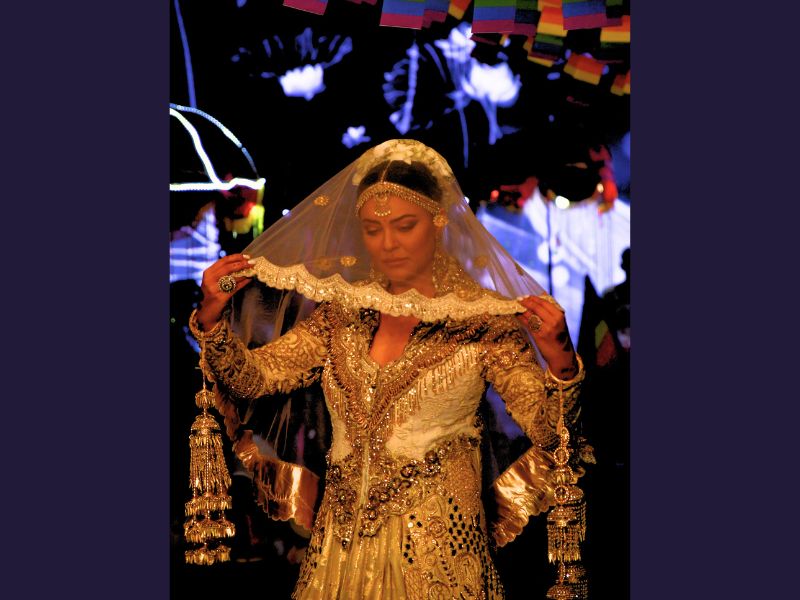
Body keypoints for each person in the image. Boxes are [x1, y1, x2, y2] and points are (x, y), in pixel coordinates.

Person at [188, 139, 587, 599]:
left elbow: (553, 434)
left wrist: (560, 359)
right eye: (372, 229)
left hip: (440, 558)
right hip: (337, 557)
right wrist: (212, 317)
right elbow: (255, 378)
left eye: (405, 226)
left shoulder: (482, 321)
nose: (388, 243)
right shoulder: (344, 314)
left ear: (439, 221)